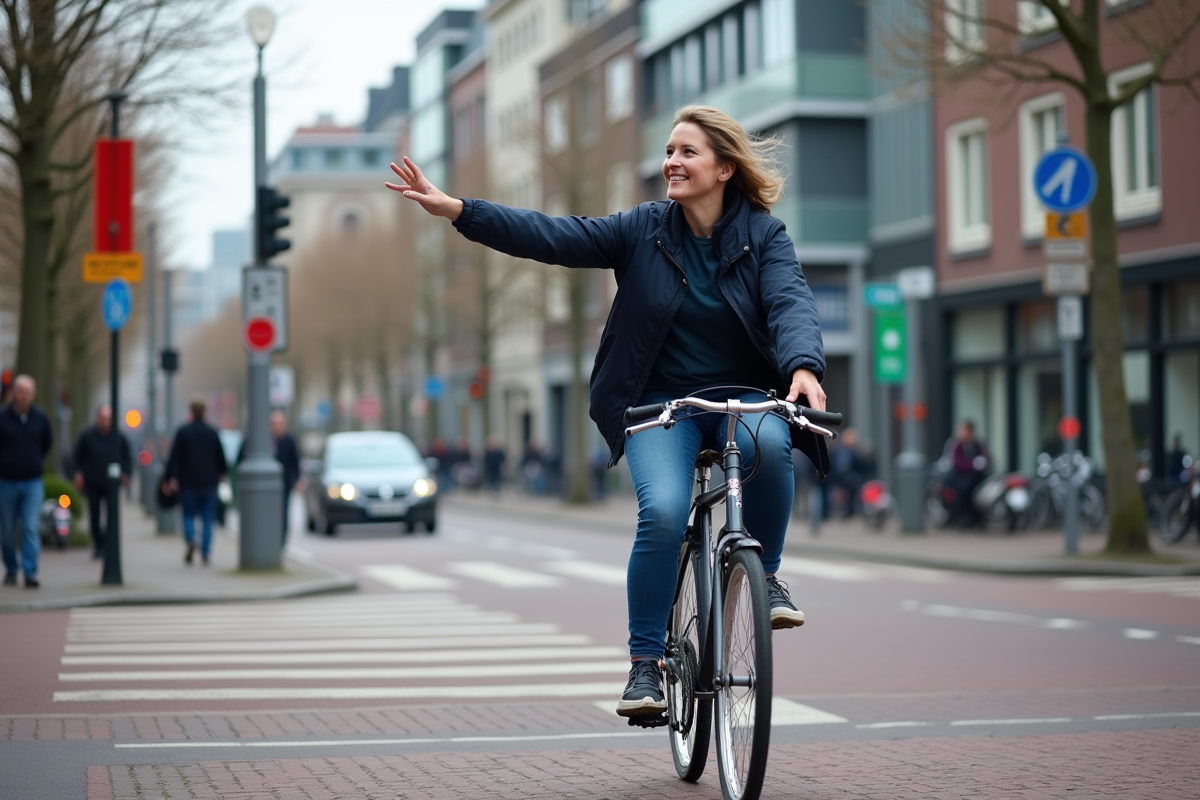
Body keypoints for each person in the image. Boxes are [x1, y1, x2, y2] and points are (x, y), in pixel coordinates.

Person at [387, 104, 829, 720]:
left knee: (772, 444)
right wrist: (461, 210)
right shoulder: (643, 229)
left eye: (687, 152)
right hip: (658, 404)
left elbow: (790, 301)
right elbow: (553, 235)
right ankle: (646, 666)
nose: (671, 162)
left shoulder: (764, 236)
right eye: (669, 151)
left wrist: (803, 366)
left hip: (741, 397)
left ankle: (768, 578)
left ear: (725, 168)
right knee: (667, 510)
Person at [0, 375, 52, 588]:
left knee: (31, 527)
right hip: (7, 482)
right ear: (14, 393)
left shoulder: (41, 418)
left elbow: (47, 442)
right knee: (8, 530)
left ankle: (30, 572)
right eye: (21, 392)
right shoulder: (2, 418)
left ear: (34, 394)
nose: (25, 396)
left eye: (29, 392)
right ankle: (12, 569)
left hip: (32, 481)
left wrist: (35, 461)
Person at [163, 398, 227, 565]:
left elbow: (173, 457)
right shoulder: (213, 432)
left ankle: (191, 538)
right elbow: (221, 456)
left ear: (191, 412)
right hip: (209, 482)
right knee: (208, 518)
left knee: (188, 514)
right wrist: (223, 473)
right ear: (205, 412)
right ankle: (205, 553)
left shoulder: (183, 432)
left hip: (187, 482)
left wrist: (168, 478)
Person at [72, 405, 133, 559]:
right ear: (98, 418)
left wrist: (126, 474)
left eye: (108, 419)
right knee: (94, 515)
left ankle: (107, 544)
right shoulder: (87, 435)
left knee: (111, 515)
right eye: (103, 418)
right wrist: (78, 474)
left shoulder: (119, 436)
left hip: (112, 483)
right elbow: (77, 457)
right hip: (92, 482)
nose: (106, 422)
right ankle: (98, 544)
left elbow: (127, 458)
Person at [238, 411, 302, 545]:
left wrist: (297, 479)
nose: (276, 427)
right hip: (262, 485)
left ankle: (281, 541)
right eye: (274, 424)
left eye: (279, 424)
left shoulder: (289, 440)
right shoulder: (261, 441)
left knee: (283, 512)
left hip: (284, 483)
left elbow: (295, 461)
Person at [948, 420, 990, 529]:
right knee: (963, 489)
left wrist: (983, 464)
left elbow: (986, 457)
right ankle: (963, 517)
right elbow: (958, 463)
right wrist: (973, 465)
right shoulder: (957, 446)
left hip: (976, 476)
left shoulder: (977, 445)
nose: (961, 433)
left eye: (963, 430)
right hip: (961, 476)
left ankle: (979, 517)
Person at [828, 427, 868, 518]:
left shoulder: (850, 452)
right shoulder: (844, 452)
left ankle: (849, 511)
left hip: (845, 478)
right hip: (844, 479)